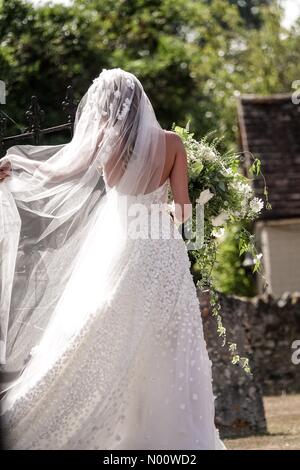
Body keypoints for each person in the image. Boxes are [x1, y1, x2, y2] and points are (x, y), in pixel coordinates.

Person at [0, 68, 225, 450]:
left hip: (121, 246)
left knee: (103, 326)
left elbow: (60, 173)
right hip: (162, 250)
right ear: (141, 102)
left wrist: (19, 164)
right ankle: (174, 433)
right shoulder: (172, 142)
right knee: (170, 339)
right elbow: (186, 210)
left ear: (108, 106)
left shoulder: (105, 142)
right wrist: (173, 210)